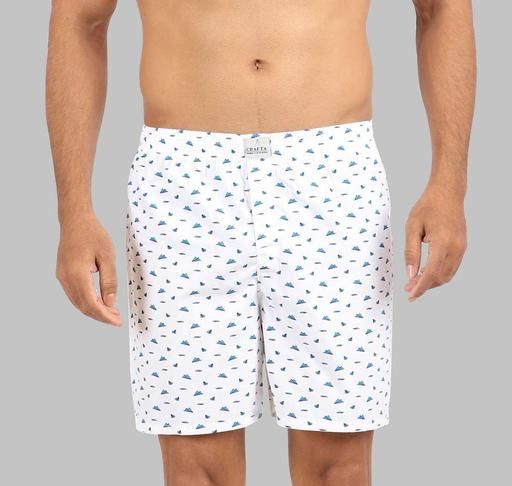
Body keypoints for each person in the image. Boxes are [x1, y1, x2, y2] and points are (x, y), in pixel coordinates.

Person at [46, 0, 476, 484]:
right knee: (196, 469)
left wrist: (449, 184)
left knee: (339, 467)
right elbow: (80, 19)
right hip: (184, 181)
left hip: (331, 174)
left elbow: (441, 9)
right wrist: (74, 212)